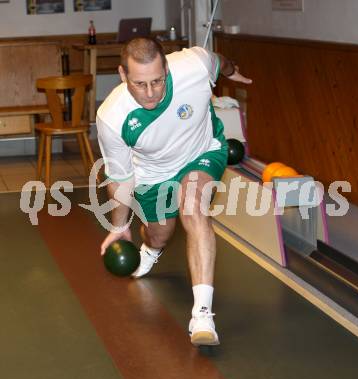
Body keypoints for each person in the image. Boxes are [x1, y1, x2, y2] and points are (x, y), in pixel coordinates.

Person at [97, 37, 251, 346]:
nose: (151, 92)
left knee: (193, 206)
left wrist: (231, 71)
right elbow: (121, 179)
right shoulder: (112, 117)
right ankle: (151, 250)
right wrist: (118, 227)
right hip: (153, 176)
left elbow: (218, 60)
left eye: (157, 80)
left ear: (167, 68)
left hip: (203, 152)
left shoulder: (192, 65)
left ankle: (202, 315)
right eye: (140, 84)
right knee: (159, 234)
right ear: (123, 75)